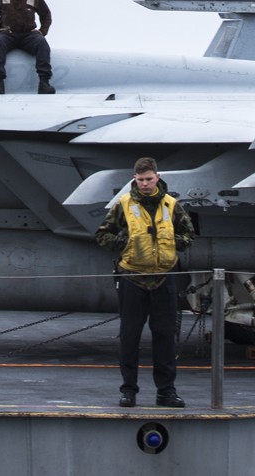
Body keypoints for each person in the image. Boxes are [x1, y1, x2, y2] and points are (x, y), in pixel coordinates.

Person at [94, 157, 195, 408]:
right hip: (132, 278)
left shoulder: (171, 205)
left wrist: (174, 244)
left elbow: (188, 234)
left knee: (165, 337)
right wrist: (124, 244)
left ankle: (166, 392)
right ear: (134, 180)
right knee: (129, 337)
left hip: (163, 278)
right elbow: (102, 234)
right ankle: (129, 390)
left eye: (149, 179)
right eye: (140, 180)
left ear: (157, 177)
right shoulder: (124, 205)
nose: (145, 184)